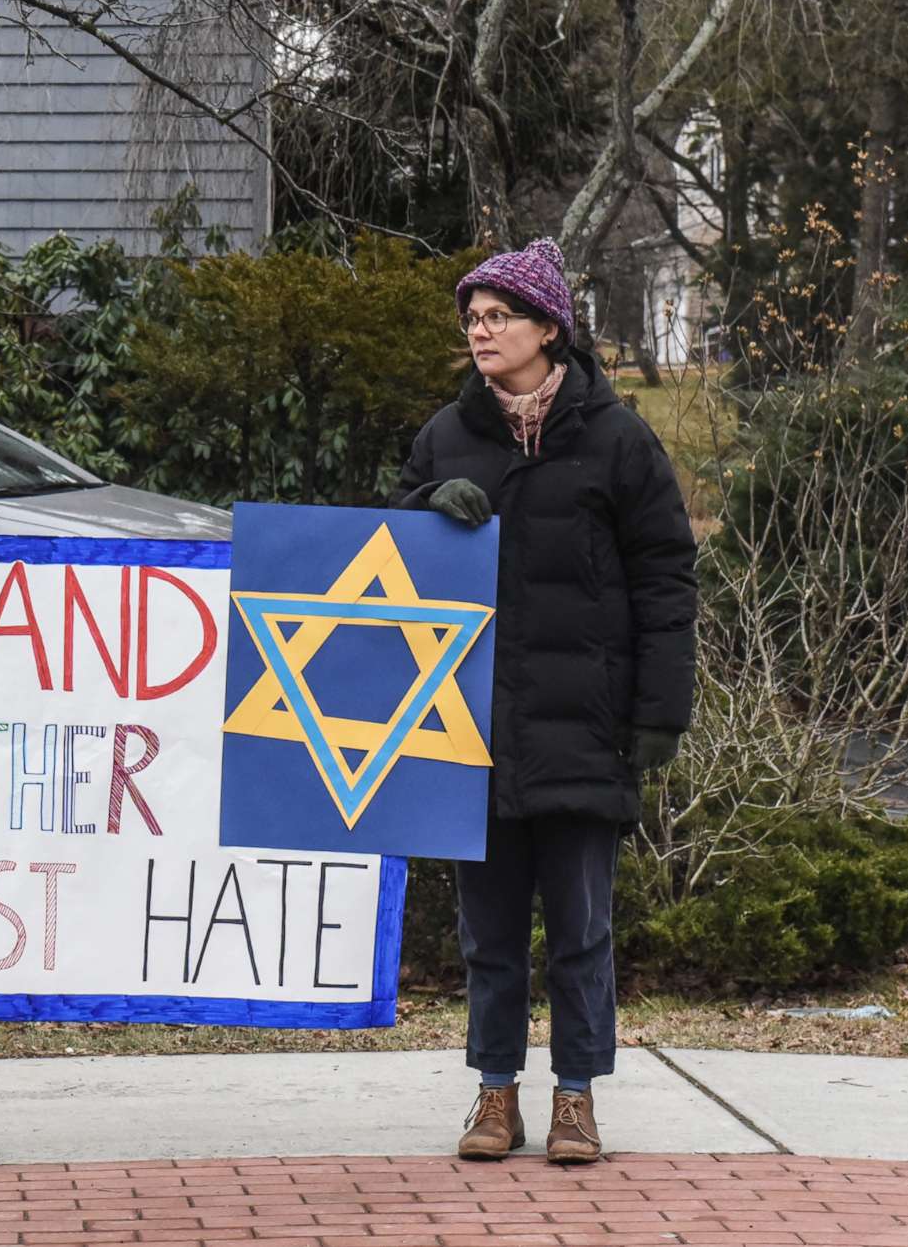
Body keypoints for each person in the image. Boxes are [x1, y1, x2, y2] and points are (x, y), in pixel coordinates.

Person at [393, 237, 697, 1166]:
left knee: (580, 928)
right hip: (470, 728)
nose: (480, 332)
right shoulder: (447, 437)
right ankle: (495, 1095)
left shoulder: (617, 436)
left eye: (497, 317)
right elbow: (383, 566)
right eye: (472, 320)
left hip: (586, 725)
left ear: (548, 329)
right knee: (489, 935)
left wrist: (659, 711)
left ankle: (575, 1098)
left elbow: (666, 574)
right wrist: (421, 506)